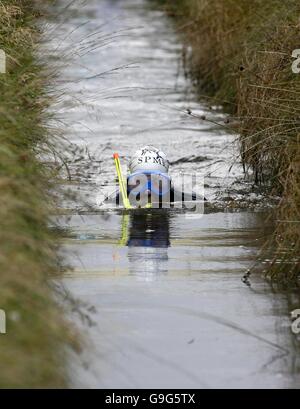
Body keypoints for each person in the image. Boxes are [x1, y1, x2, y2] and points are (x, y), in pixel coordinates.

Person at [105, 145, 205, 208]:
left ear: (168, 184)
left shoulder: (186, 199)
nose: (148, 191)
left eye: (157, 182)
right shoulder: (116, 200)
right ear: (129, 183)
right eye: (139, 182)